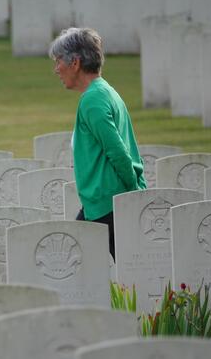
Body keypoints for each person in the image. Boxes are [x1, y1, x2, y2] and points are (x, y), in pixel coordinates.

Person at [49, 27, 146, 261]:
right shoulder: (105, 91)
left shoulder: (93, 99)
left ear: (75, 62)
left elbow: (117, 151)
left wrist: (133, 196)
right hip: (104, 202)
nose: (56, 69)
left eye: (58, 61)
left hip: (109, 204)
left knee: (78, 266)